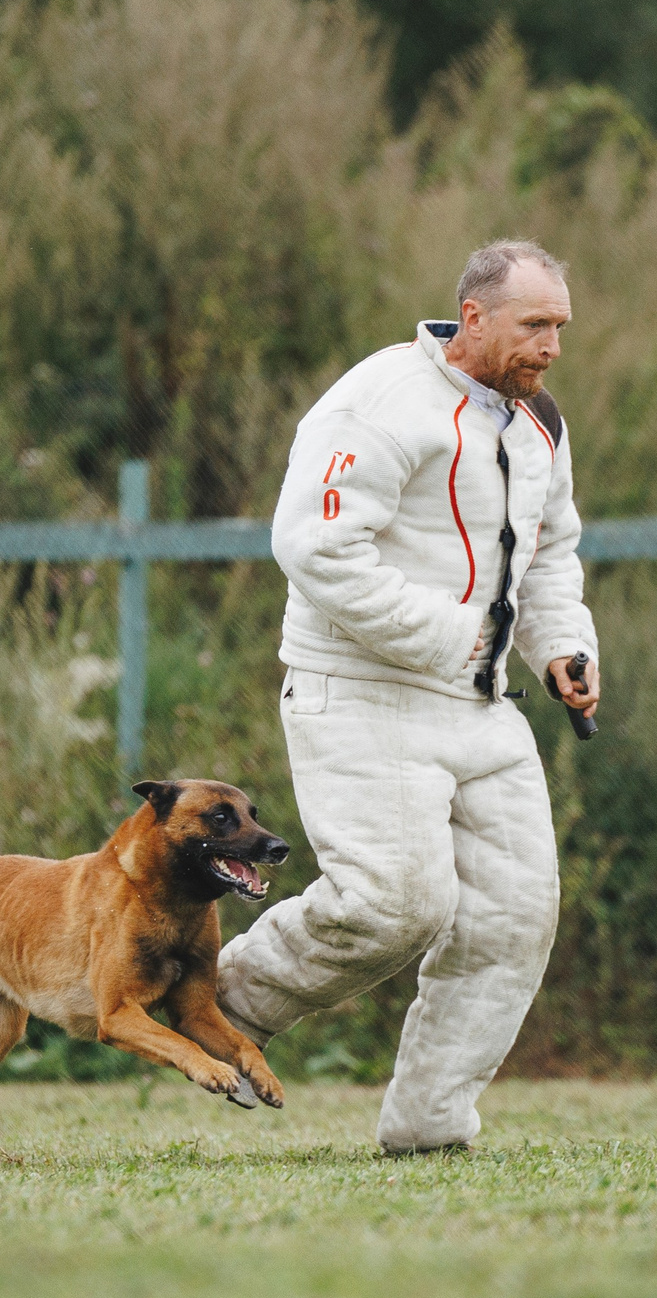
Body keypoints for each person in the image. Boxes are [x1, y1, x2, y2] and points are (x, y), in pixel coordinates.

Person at [218, 239, 600, 1154]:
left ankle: (429, 1123)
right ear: (473, 316)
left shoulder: (537, 419)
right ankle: (218, 1001)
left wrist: (563, 648)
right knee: (397, 903)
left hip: (482, 705)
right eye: (533, 324)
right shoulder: (380, 399)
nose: (551, 346)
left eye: (560, 327)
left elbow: (550, 553)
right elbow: (313, 546)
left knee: (514, 915)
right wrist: (449, 633)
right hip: (361, 692)